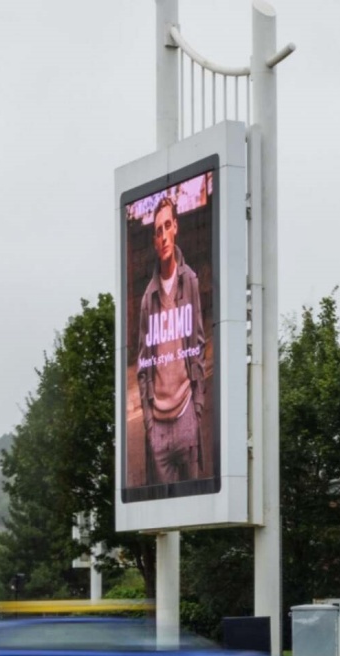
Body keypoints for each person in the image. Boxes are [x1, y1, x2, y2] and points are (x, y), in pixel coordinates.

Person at [136, 194, 210, 485]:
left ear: (176, 227)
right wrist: (148, 423)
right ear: (155, 241)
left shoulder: (189, 280)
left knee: (196, 503)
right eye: (158, 231)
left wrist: (197, 405)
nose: (164, 236)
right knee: (163, 506)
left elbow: (199, 343)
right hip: (158, 427)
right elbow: (143, 366)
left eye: (167, 226)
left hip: (186, 413)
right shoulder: (147, 299)